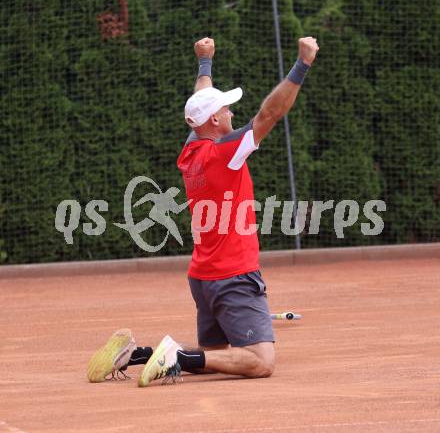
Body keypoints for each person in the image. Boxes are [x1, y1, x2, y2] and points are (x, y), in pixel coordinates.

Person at [87, 36, 319, 387]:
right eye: (225, 109)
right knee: (260, 361)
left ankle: (140, 354)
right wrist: (303, 64)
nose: (231, 112)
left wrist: (205, 63)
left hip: (204, 277)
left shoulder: (191, 151)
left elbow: (199, 104)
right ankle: (176, 356)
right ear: (213, 120)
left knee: (216, 357)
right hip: (233, 275)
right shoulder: (225, 153)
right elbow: (270, 113)